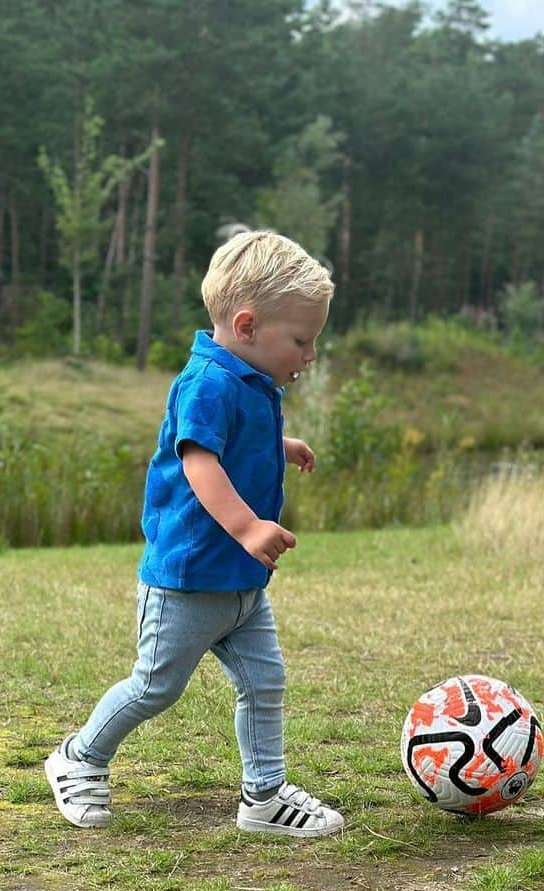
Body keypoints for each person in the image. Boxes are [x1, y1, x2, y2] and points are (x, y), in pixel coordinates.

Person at [45, 230, 344, 839]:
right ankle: (77, 758)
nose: (309, 355)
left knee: (264, 681)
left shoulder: (251, 380)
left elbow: (233, 443)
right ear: (247, 324)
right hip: (187, 580)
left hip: (238, 584)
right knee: (155, 687)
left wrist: (277, 447)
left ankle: (263, 796)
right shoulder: (208, 381)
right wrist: (248, 525)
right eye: (301, 340)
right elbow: (198, 462)